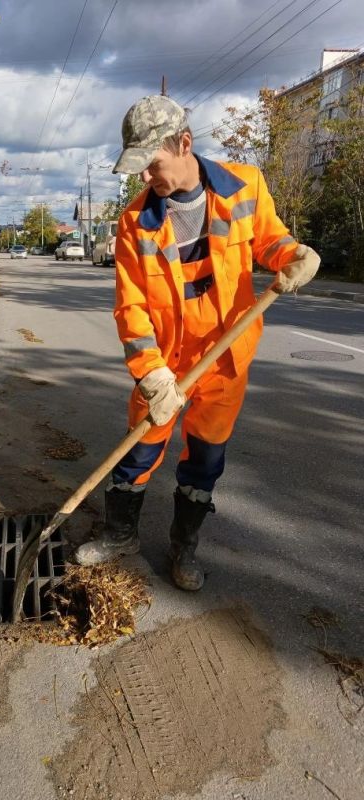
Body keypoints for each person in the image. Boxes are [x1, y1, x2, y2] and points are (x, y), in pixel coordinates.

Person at [74, 95, 320, 590]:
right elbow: (131, 307)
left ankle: (184, 548)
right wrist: (150, 372)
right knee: (139, 451)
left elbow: (270, 240)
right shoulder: (134, 223)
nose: (144, 178)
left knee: (205, 460)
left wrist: (294, 255)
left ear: (184, 144)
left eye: (152, 165)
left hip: (225, 358)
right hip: (166, 363)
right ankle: (121, 534)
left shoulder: (244, 186)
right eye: (138, 169)